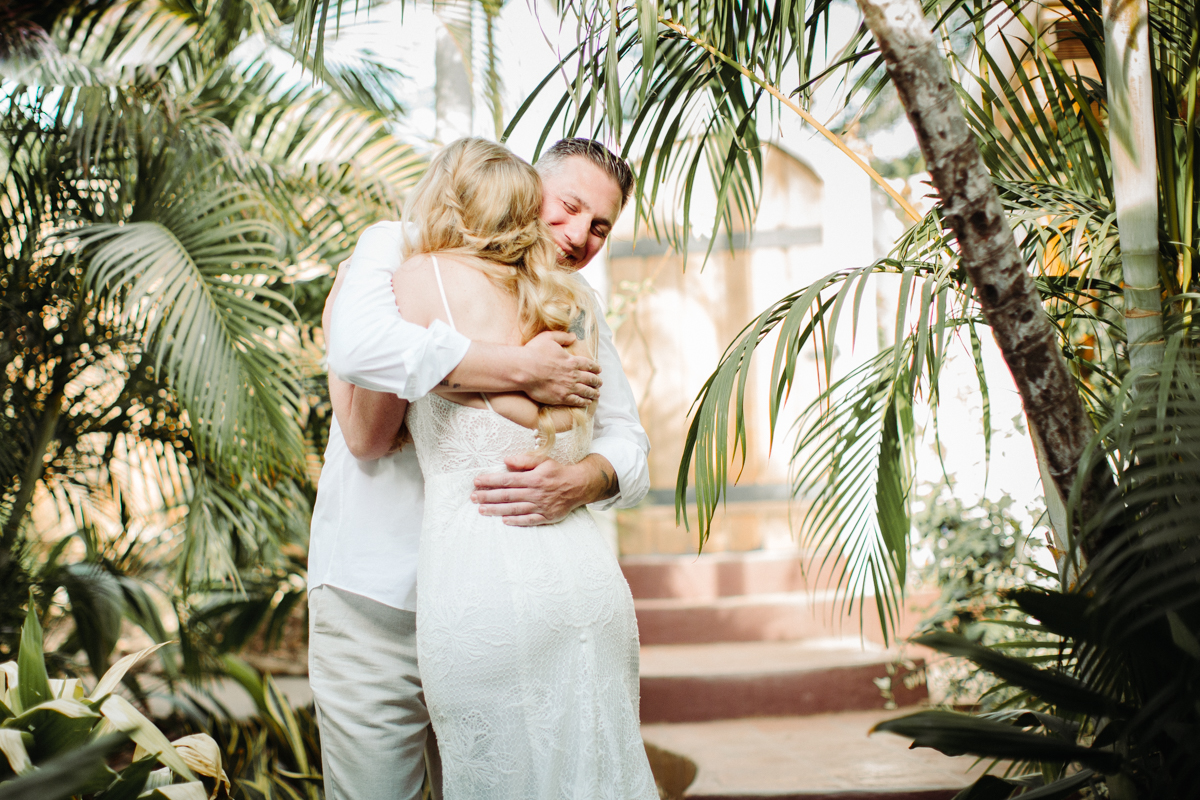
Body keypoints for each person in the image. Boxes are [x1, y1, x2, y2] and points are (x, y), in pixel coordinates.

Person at [309, 138, 651, 799]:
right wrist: (524, 368)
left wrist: (582, 480)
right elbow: (360, 361)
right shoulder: (400, 248)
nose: (578, 234)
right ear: (525, 190)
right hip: (373, 599)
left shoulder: (569, 300)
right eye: (569, 206)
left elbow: (627, 440)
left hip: (510, 597)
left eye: (601, 226)